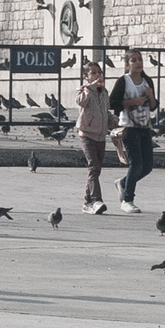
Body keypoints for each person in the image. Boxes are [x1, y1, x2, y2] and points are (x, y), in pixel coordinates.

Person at [109, 49, 158, 213]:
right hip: (128, 127)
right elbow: (113, 103)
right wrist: (132, 102)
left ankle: (123, 183)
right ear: (127, 64)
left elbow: (153, 107)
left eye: (140, 60)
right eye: (134, 60)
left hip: (144, 127)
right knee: (136, 163)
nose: (138, 63)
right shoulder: (124, 81)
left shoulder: (147, 81)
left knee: (147, 166)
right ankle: (127, 200)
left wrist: (151, 97)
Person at [74, 60, 110, 214]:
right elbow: (81, 102)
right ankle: (96, 200)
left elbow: (105, 111)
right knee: (93, 167)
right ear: (86, 77)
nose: (97, 76)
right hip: (87, 134)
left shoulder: (104, 92)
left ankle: (87, 203)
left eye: (99, 72)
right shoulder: (83, 90)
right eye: (93, 73)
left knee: (96, 169)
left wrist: (113, 120)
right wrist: (90, 87)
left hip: (100, 136)